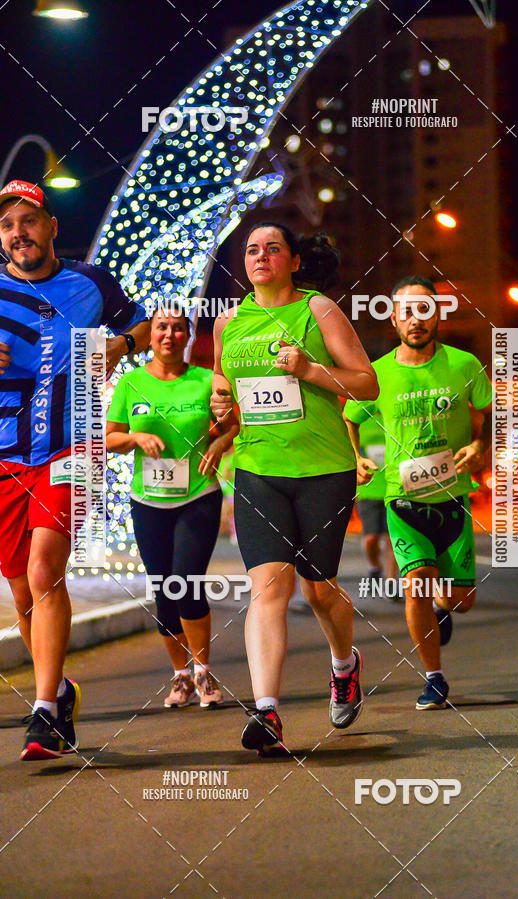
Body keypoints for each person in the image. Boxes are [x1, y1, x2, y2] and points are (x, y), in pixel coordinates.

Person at [211, 222, 378, 754]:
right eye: (252, 250)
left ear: (293, 261)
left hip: (323, 470)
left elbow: (366, 382)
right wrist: (222, 413)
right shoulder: (228, 322)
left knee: (318, 588)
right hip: (258, 469)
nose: (261, 256)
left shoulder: (319, 310)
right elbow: (226, 388)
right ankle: (267, 714)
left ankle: (344, 664)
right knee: (268, 589)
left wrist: (309, 368)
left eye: (273, 248)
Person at [0, 180, 150, 759]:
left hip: (74, 445)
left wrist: (122, 346)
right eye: (9, 226)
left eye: (29, 221)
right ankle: (58, 688)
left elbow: (138, 322)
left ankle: (44, 715)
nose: (20, 233)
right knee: (20, 592)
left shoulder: (89, 282)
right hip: (7, 456)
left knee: (44, 570)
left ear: (52, 226)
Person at [344, 276, 492, 710]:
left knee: (461, 601)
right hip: (402, 501)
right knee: (416, 586)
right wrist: (355, 457)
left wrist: (480, 445)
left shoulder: (464, 365)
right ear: (393, 318)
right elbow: (349, 417)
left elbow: (489, 412)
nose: (416, 319)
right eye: (407, 311)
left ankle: (444, 607)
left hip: (453, 501)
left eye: (425, 310)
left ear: (438, 315)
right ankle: (434, 677)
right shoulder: (378, 374)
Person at [106, 304, 238, 709]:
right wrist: (135, 441)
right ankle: (180, 676)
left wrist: (218, 443)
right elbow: (110, 436)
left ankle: (204, 670)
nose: (168, 334)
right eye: (161, 327)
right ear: (151, 335)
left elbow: (235, 421)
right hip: (148, 501)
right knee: (163, 588)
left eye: (178, 328)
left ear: (188, 336)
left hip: (197, 496)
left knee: (186, 580)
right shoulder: (131, 383)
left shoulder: (205, 380)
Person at [346, 410, 398, 586]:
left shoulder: (393, 417)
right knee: (371, 539)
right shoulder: (358, 420)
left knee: (392, 539)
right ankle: (374, 566)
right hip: (368, 490)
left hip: (395, 488)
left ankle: (391, 581)